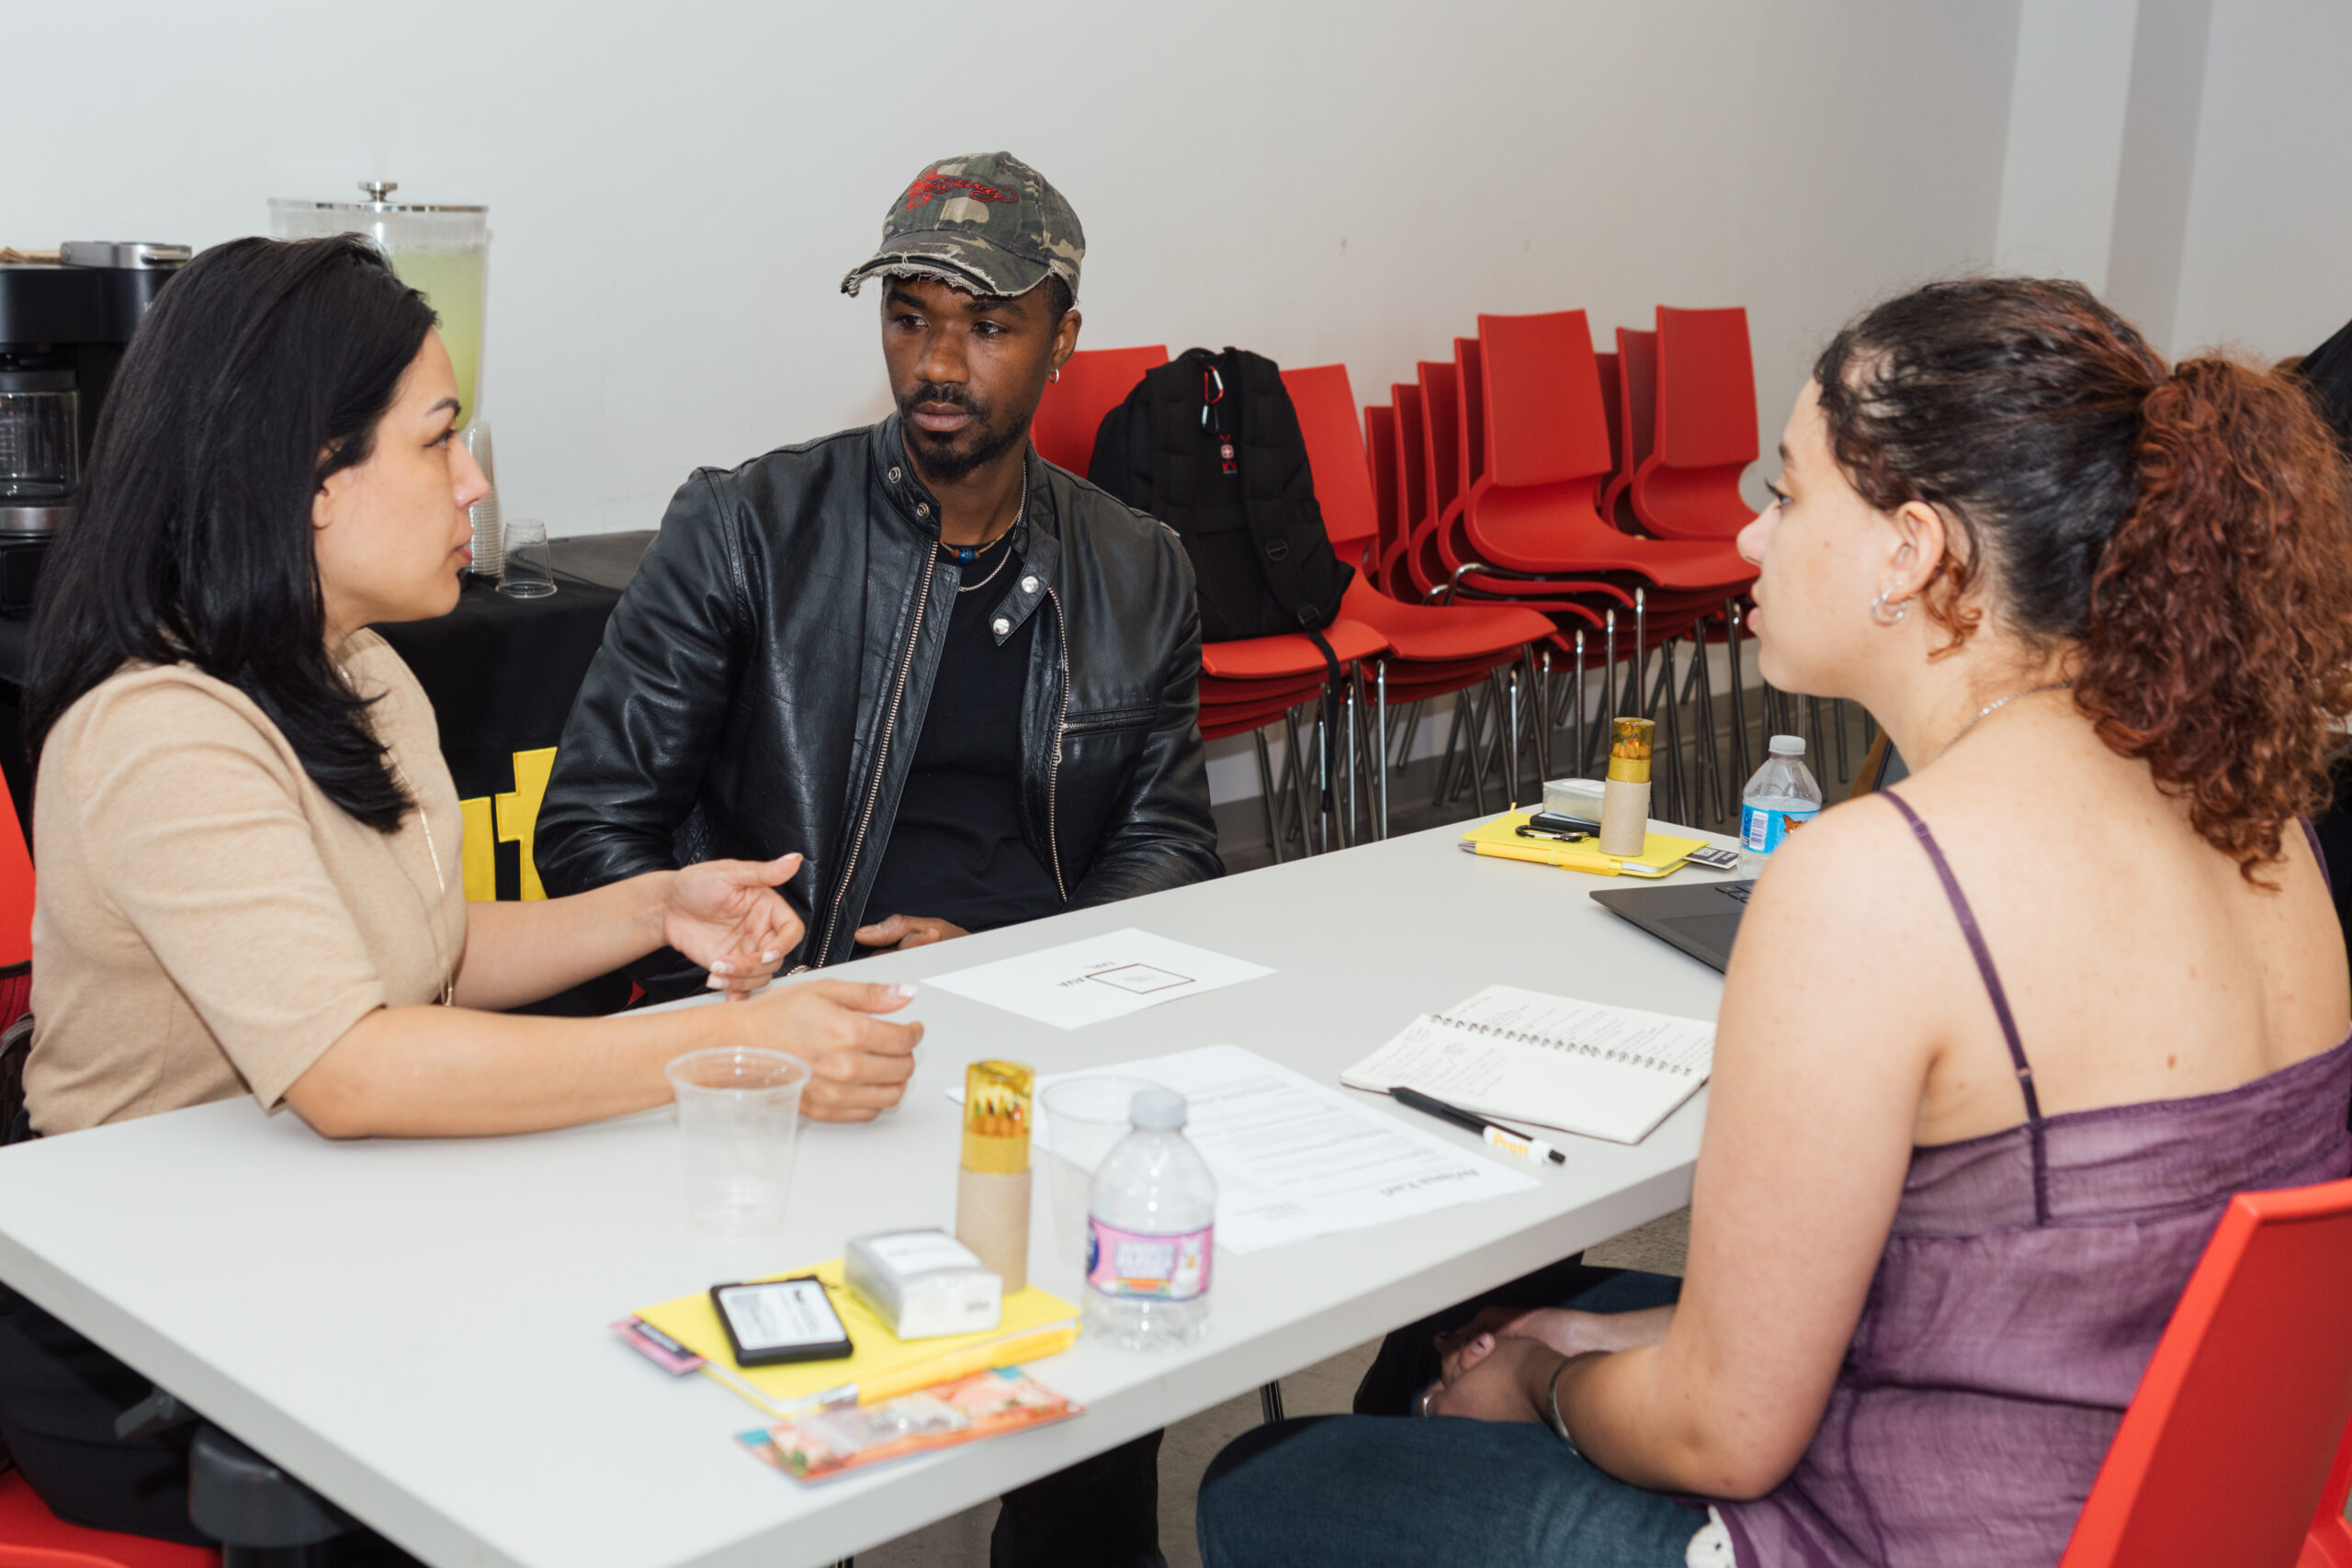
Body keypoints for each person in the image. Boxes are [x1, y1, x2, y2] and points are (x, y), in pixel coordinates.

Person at [1194, 277, 2352, 1567]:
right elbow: (2015, 1275)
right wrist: (1586, 1340)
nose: (1750, 539)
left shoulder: (1884, 877)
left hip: (1916, 1534)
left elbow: (1724, 1438)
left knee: (1272, 1481)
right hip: (2168, 1509)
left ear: (1914, 553)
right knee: (1493, 1324)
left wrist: (1539, 1385)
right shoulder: (2263, 822)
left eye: (1789, 495)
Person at [4, 234, 924, 1547]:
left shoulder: (363, 673)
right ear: (308, 479)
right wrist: (727, 1038)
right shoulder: (161, 732)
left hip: (320, 1237)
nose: (473, 483)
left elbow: (413, 951)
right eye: (438, 442)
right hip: (144, 1336)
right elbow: (352, 1067)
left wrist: (650, 908)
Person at [534, 152, 1213, 1568]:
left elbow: (1169, 844)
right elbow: (591, 828)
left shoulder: (1138, 567)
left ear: (1065, 336)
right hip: (796, 1046)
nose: (939, 362)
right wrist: (753, 958)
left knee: (1116, 1333)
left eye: (986, 324)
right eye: (909, 319)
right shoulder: (745, 530)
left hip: (1038, 1044)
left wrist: (1021, 969)